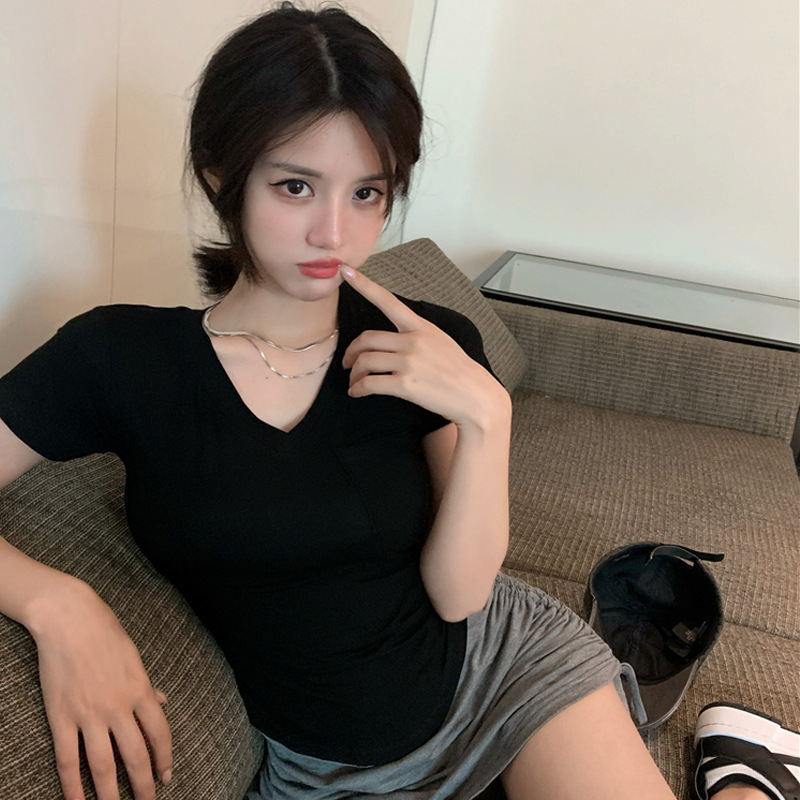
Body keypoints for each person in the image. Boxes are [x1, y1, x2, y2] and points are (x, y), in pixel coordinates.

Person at [0, 4, 795, 800]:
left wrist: (487, 418)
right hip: (319, 771)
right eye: (296, 186)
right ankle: (747, 773)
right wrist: (57, 602)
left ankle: (742, 768)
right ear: (221, 177)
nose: (333, 232)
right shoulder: (120, 358)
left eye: (367, 193)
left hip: (503, 673)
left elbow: (461, 595)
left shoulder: (430, 344)